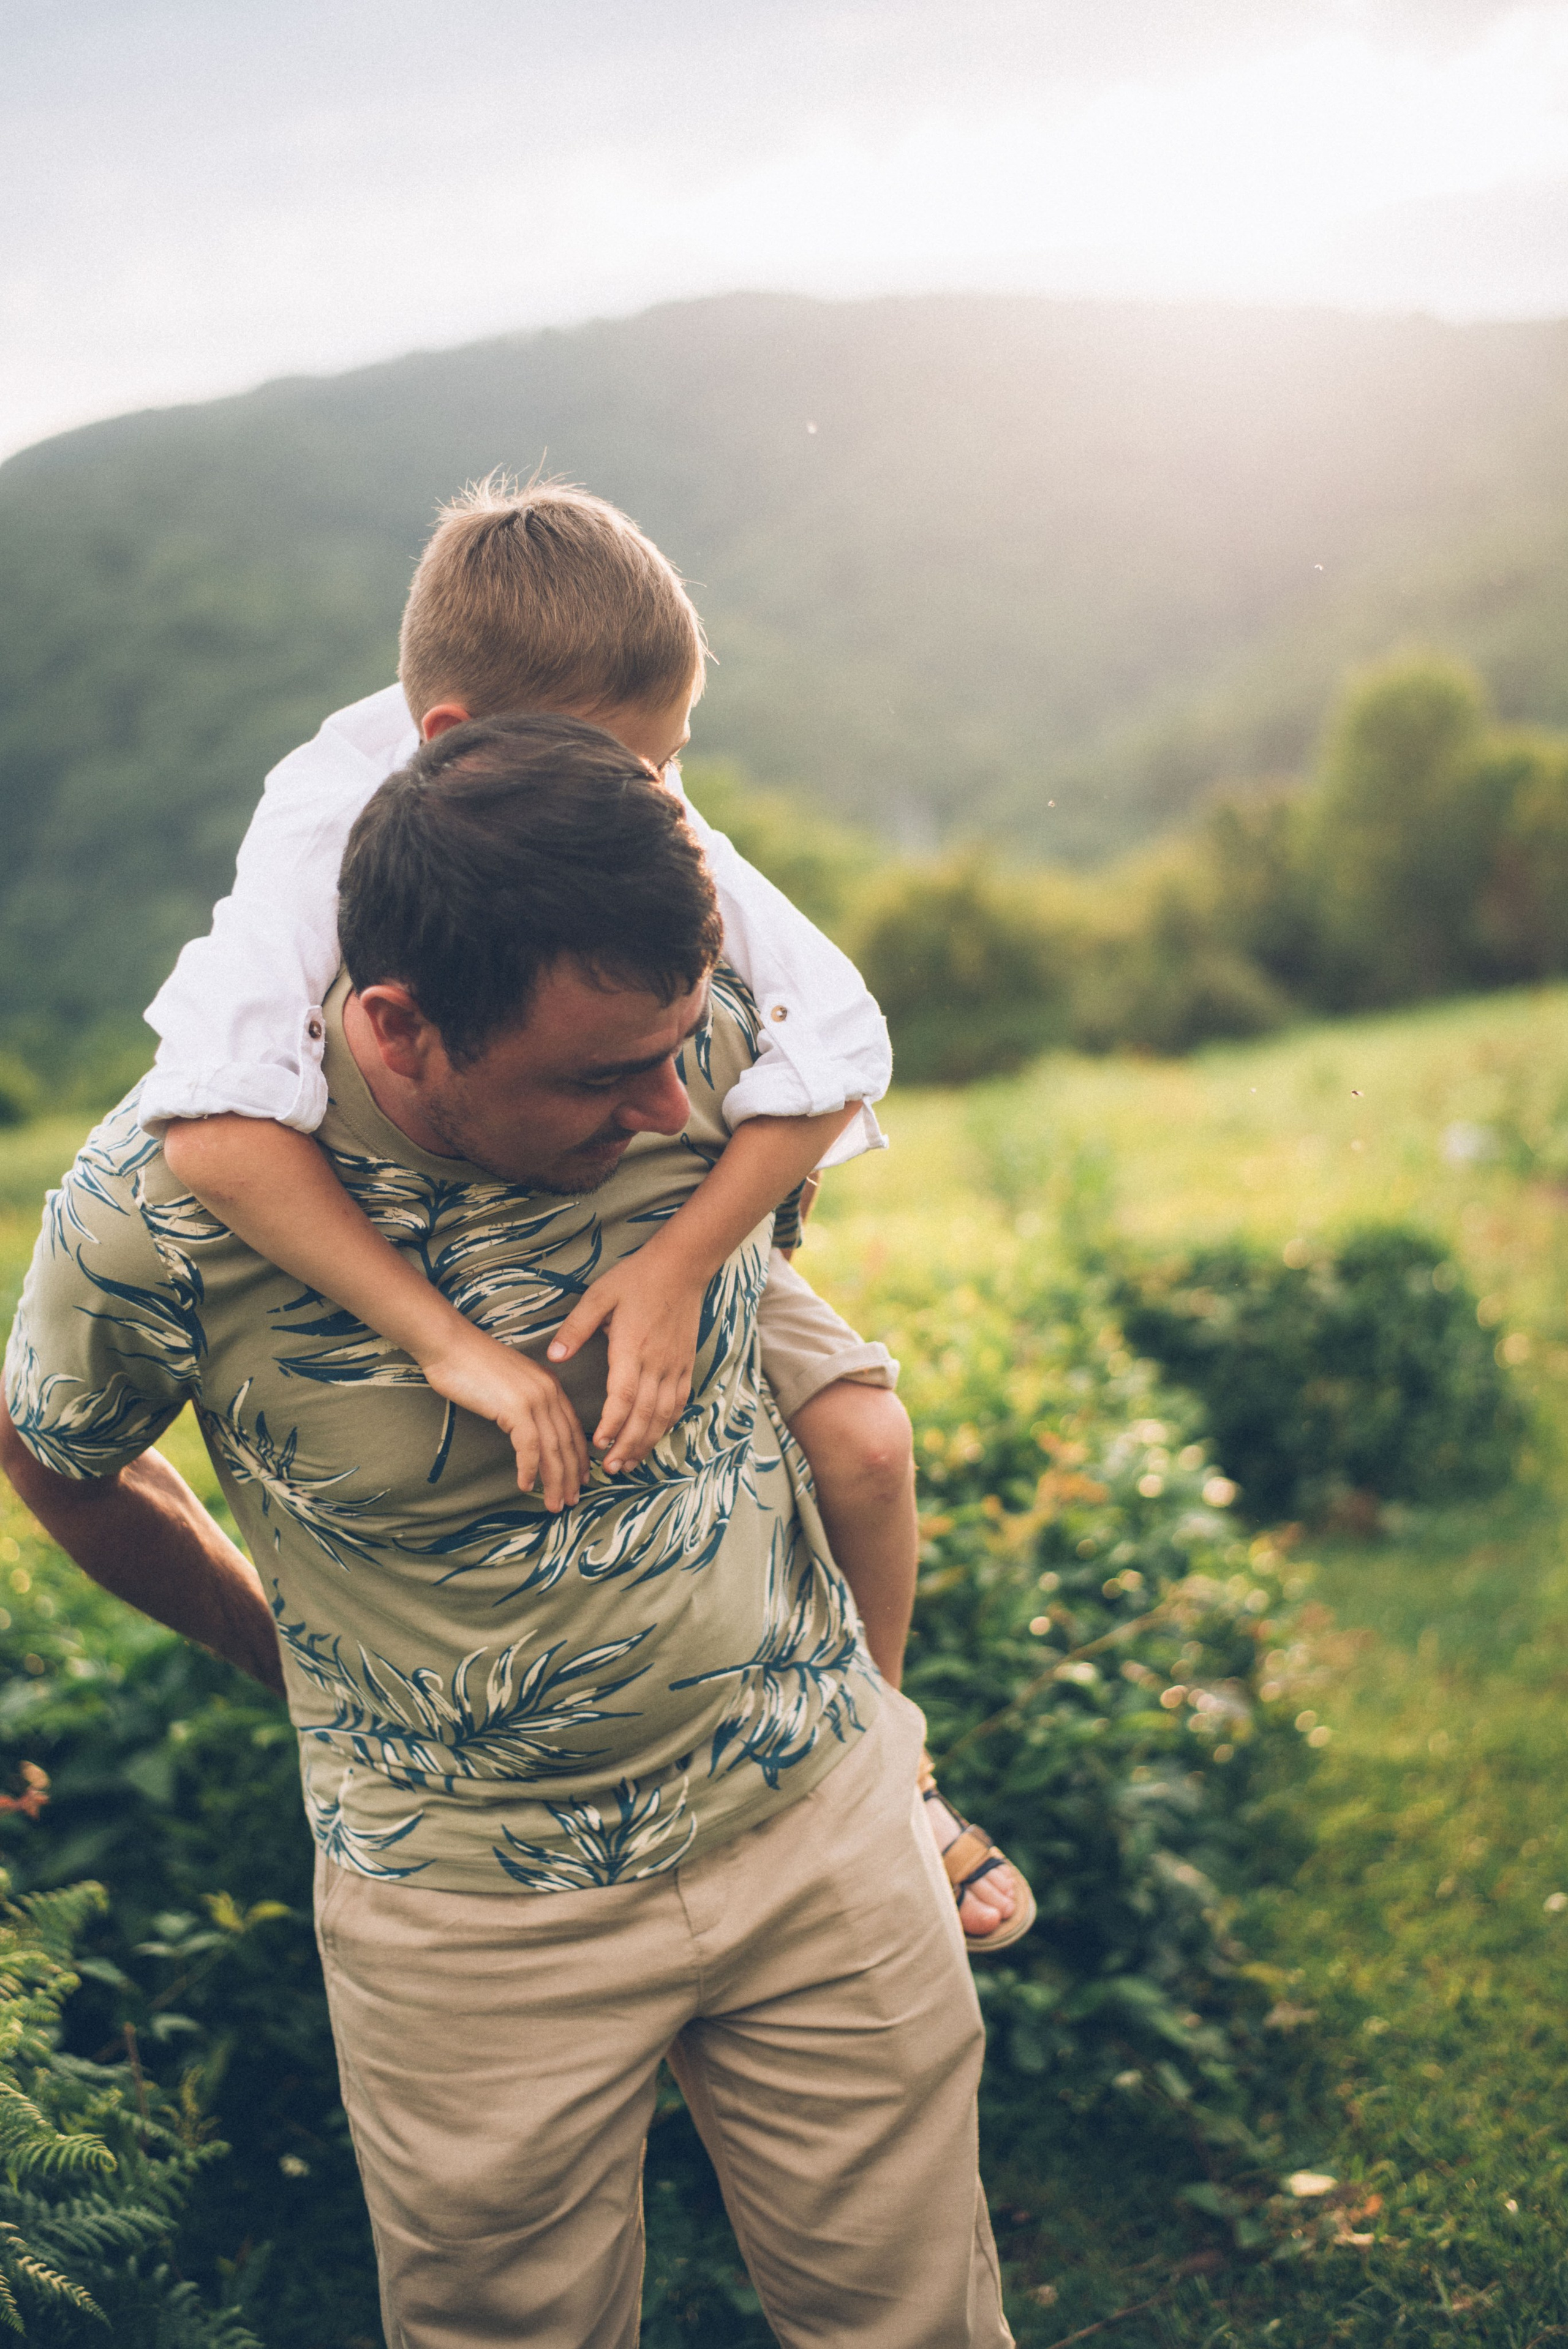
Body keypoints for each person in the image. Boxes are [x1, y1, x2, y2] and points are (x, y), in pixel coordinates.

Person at [1, 715, 1015, 2348]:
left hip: (817, 1822)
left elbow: (772, 1305)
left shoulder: (716, 1057)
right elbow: (58, 1455)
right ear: (400, 1027)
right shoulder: (157, 1211)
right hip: (468, 1918)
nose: (669, 1105)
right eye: (599, 1077)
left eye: (679, 1046)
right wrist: (279, 1649)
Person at [138, 475, 1033, 1950]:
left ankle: (886, 1761)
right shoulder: (322, 825)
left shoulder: (626, 797)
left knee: (866, 1440)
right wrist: (441, 1342)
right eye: (641, 765)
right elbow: (214, 1122)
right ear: (456, 740)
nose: (661, 803)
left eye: (671, 764)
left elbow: (838, 1038)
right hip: (427, 1232)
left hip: (653, 1197)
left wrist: (682, 1265)